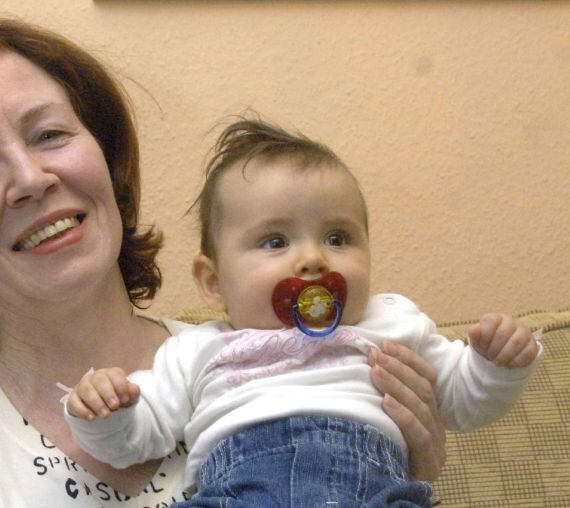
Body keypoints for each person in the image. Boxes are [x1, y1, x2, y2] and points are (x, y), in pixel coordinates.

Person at [0, 18, 448, 507]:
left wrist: (410, 466)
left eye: (49, 134)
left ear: (105, 157)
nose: (32, 178)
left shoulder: (264, 356)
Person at [65, 118, 542, 506]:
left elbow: (461, 399)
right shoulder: (194, 350)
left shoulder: (390, 322)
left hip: (375, 491)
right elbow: (138, 436)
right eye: (275, 241)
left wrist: (494, 362)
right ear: (214, 283)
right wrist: (105, 411)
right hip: (235, 492)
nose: (314, 258)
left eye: (337, 238)